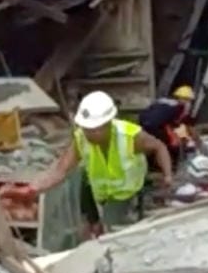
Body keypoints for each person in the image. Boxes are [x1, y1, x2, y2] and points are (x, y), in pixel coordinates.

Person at [30, 90, 174, 235]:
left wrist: (167, 175)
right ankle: (95, 224)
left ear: (109, 124)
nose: (90, 135)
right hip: (101, 191)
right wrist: (33, 189)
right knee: (83, 181)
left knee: (114, 228)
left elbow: (159, 147)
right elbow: (61, 170)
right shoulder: (81, 138)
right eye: (87, 130)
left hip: (126, 191)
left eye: (96, 130)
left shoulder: (130, 136)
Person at [136, 85, 197, 163]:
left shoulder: (162, 102)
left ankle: (153, 163)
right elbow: (183, 124)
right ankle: (168, 164)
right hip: (155, 126)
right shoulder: (179, 107)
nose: (189, 103)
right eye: (188, 100)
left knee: (153, 145)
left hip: (143, 125)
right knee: (168, 146)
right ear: (182, 99)